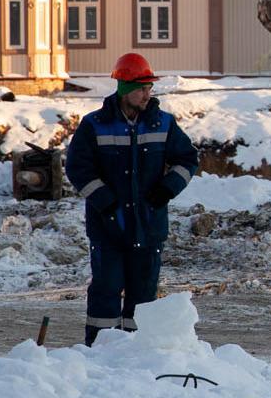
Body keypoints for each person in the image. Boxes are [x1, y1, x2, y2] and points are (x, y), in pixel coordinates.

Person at [65, 52, 197, 346]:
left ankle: (138, 354)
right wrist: (105, 201)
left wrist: (167, 188)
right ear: (125, 88)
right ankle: (100, 351)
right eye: (142, 88)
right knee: (106, 291)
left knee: (144, 298)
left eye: (150, 88)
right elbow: (77, 168)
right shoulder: (94, 125)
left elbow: (188, 160)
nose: (147, 93)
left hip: (149, 227)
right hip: (108, 227)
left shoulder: (163, 123)